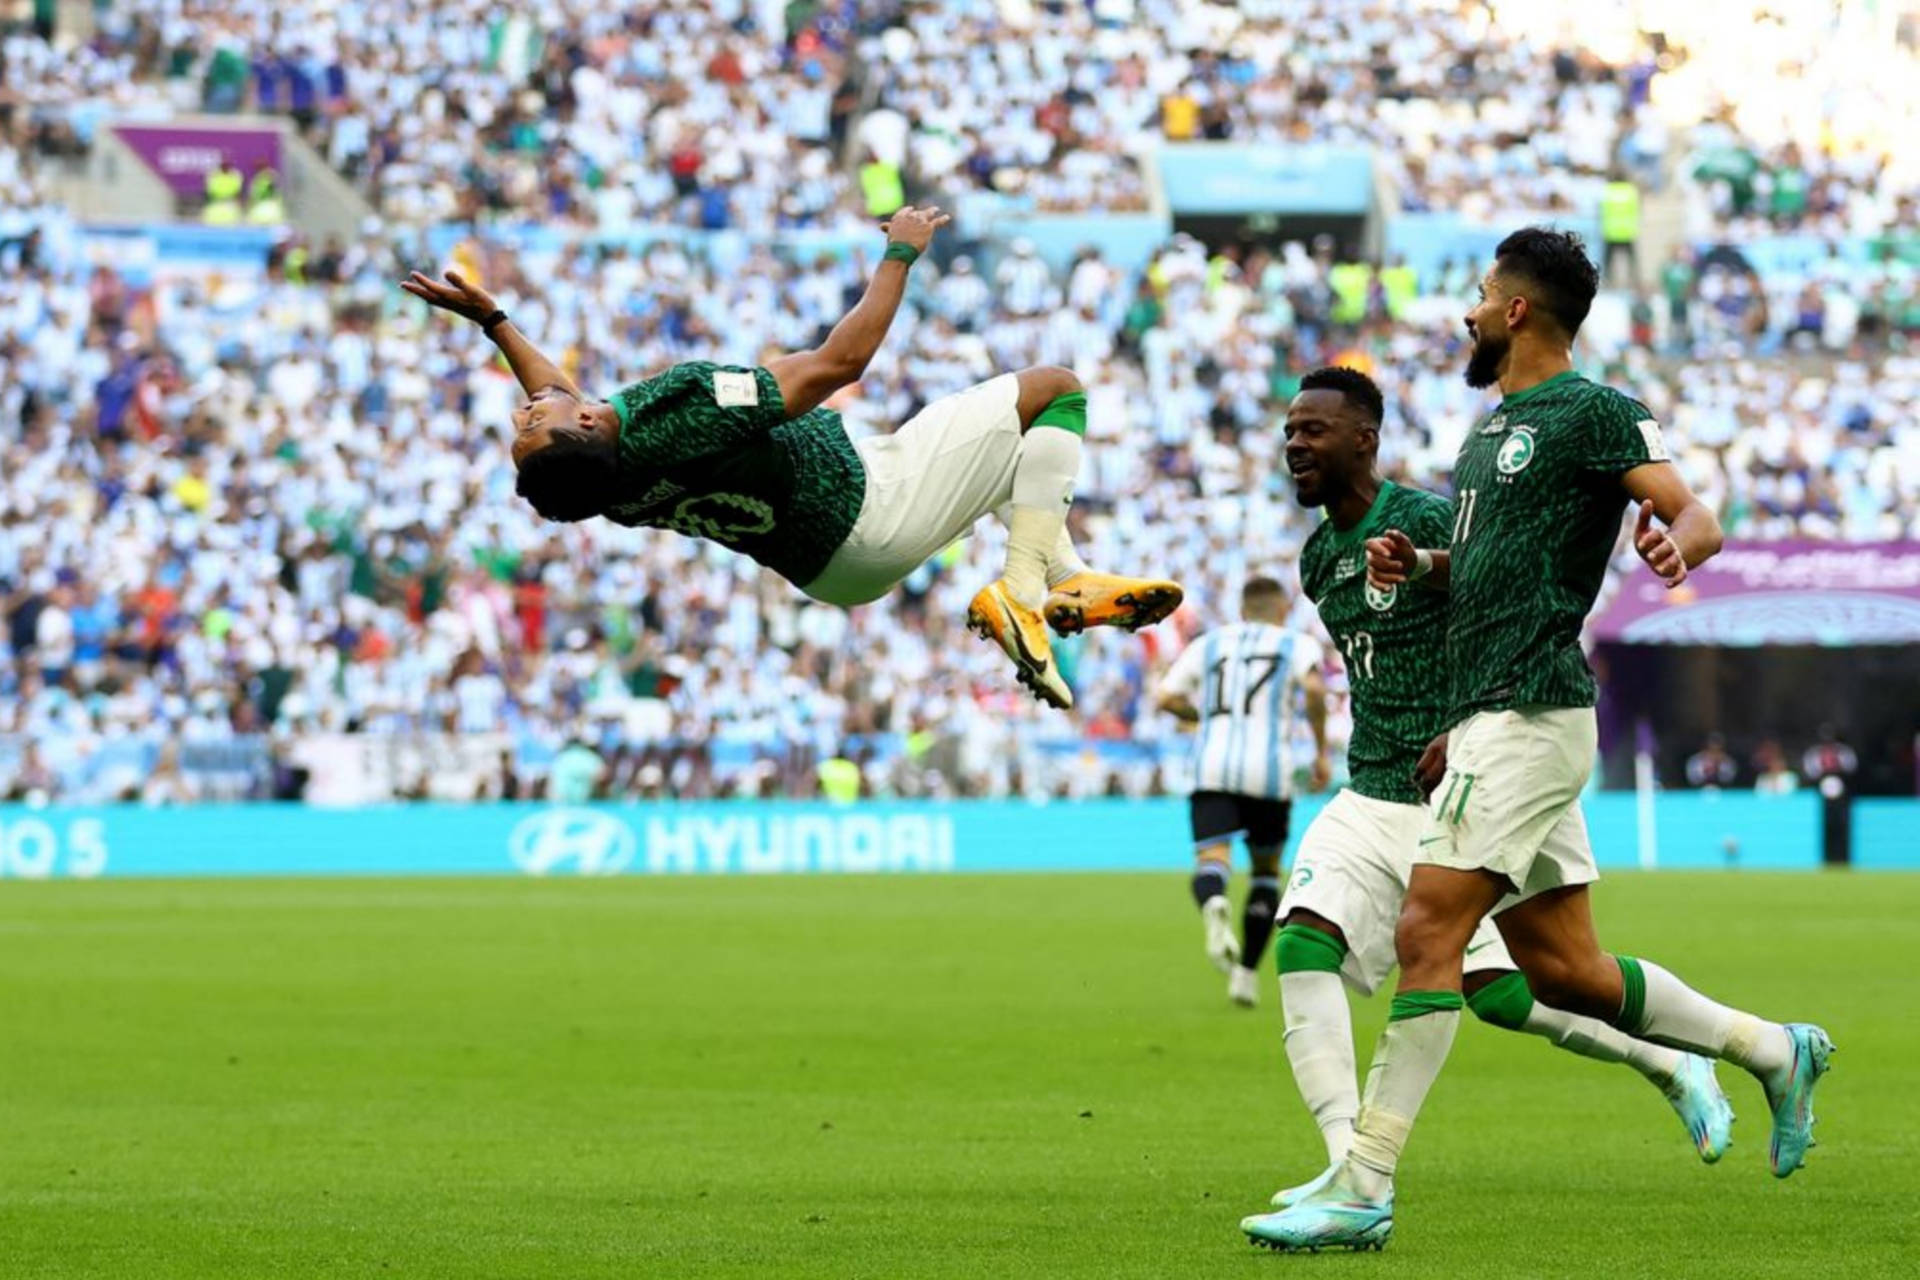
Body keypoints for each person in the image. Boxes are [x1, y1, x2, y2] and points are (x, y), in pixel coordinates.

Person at [1248, 229, 1831, 1254]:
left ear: (1517, 310)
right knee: (1565, 971)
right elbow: (1478, 578)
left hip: (1528, 709)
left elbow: (1694, 512)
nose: (1467, 313)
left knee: (1431, 936)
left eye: (1479, 296)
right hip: (1492, 717)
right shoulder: (1492, 430)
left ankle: (1363, 1179)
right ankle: (1774, 1049)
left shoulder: (1590, 410)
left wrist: (1671, 545)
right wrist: (1422, 562)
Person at [1241, 368, 1731, 1240]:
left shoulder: (1430, 519)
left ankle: (1672, 1063)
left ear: (1364, 439)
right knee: (1303, 941)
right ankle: (1346, 1161)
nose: (1295, 446)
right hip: (1371, 787)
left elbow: (1495, 621)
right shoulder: (1318, 559)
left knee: (1512, 993)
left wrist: (1464, 725)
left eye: (1313, 430)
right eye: (1289, 431)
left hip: (1458, 783)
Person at [401, 206, 1180, 709]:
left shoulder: (603, 479)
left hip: (830, 569)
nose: (524, 407)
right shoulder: (681, 418)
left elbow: (559, 400)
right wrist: (902, 256)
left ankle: (1064, 578)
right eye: (530, 424)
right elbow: (841, 365)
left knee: (1018, 456)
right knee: (1056, 393)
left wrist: (496, 323)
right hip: (868, 506)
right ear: (585, 426)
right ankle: (1020, 590)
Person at [1156, 575, 1330, 1008]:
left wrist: (1203, 716)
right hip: (1270, 773)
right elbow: (1313, 688)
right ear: (1283, 609)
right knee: (1267, 872)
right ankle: (1247, 974)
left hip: (1212, 765)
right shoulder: (1297, 644)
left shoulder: (1210, 644)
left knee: (1211, 859)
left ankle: (1214, 901)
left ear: (1242, 608)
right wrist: (1322, 749)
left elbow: (1166, 697)